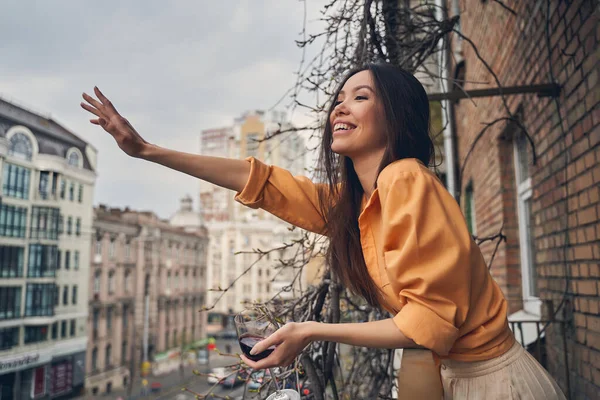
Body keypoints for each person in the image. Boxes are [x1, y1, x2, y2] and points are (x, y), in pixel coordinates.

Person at [81, 63, 565, 399]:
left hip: (492, 385)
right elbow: (261, 181)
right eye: (337, 100)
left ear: (395, 116)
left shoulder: (405, 179)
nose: (340, 107)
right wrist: (147, 151)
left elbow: (430, 324)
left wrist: (309, 330)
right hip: (458, 381)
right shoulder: (358, 203)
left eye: (360, 97)